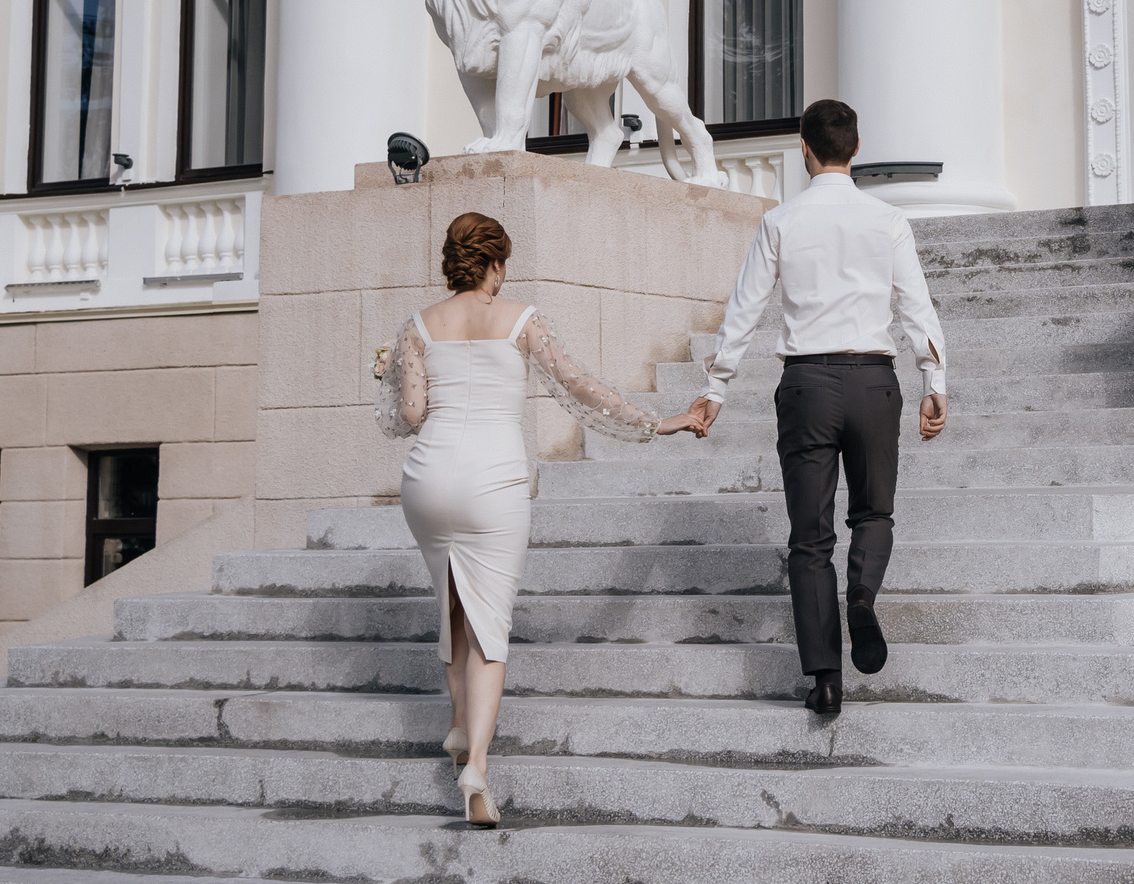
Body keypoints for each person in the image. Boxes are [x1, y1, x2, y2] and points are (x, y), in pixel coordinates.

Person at [375, 211, 704, 825]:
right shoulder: (522, 320)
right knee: (489, 631)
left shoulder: (418, 326)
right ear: (496, 263)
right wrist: (656, 423)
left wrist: (390, 375)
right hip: (492, 482)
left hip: (426, 480)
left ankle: (453, 723)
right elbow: (578, 386)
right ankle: (476, 765)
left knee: (449, 604)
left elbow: (412, 414)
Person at [690, 98, 948, 716]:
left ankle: (826, 681)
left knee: (809, 540)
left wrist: (716, 387)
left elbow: (744, 309)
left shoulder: (780, 221)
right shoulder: (887, 220)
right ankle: (861, 599)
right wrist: (934, 379)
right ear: (856, 150)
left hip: (807, 385)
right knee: (873, 513)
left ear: (803, 150)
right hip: (873, 382)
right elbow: (917, 306)